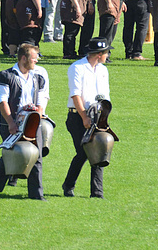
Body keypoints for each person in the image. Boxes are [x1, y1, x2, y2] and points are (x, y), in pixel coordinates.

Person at [0, 44, 47, 200]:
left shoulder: (38, 77)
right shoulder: (5, 76)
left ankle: (36, 195)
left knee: (36, 157)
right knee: (10, 155)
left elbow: (40, 102)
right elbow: (2, 101)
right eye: (34, 58)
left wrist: (37, 119)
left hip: (32, 124)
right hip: (11, 123)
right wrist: (11, 122)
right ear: (23, 58)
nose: (36, 61)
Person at [62, 37, 112, 199]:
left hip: (98, 116)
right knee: (83, 152)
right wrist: (84, 117)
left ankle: (97, 193)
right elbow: (75, 95)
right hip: (77, 116)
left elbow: (106, 96)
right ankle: (68, 185)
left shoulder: (103, 70)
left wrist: (103, 117)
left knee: (99, 150)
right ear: (98, 54)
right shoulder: (77, 68)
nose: (107, 55)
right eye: (106, 52)